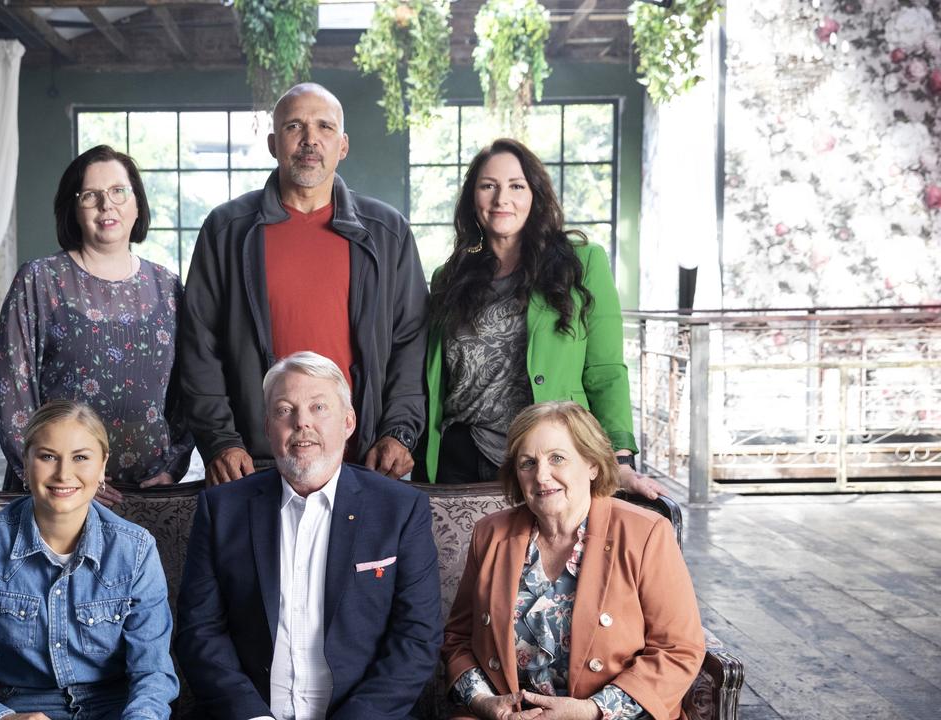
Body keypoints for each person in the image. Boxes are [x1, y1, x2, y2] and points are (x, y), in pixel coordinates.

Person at [180, 83, 428, 485]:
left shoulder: (387, 232)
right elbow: (199, 345)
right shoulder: (227, 230)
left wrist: (398, 432)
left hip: (362, 457)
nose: (311, 139)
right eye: (295, 126)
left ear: (342, 145)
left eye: (325, 127)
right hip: (255, 460)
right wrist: (221, 441)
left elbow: (410, 342)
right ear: (274, 143)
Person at [175, 351, 443, 719]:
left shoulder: (400, 509)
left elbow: (417, 638)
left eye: (319, 408)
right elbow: (199, 631)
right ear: (268, 426)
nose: (302, 423)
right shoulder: (222, 509)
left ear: (348, 422)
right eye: (285, 410)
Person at [419, 138, 661, 499]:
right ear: (474, 198)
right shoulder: (448, 276)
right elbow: (435, 380)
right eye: (489, 186)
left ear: (535, 194)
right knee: (468, 557)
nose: (502, 199)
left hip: (549, 458)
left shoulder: (582, 264)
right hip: (461, 456)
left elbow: (606, 371)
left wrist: (621, 460)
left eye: (516, 186)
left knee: (542, 555)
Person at [0, 400, 179, 720]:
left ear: (103, 465)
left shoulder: (135, 549)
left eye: (81, 457)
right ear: (26, 462)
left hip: (118, 706)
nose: (64, 473)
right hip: (21, 705)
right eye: (47, 456)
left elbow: (153, 672)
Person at [441, 401, 704, 720]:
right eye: (527, 463)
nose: (541, 476)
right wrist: (482, 701)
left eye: (557, 459)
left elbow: (678, 650)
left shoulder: (646, 533)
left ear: (592, 464)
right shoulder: (490, 534)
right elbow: (458, 637)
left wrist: (592, 710)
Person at [0, 145, 191, 502]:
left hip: (148, 494)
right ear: (74, 208)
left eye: (118, 191)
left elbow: (187, 388)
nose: (107, 205)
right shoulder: (39, 281)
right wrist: (61, 480)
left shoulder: (168, 286)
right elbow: (13, 394)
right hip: (61, 492)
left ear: (137, 204)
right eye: (91, 196)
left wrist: (172, 465)